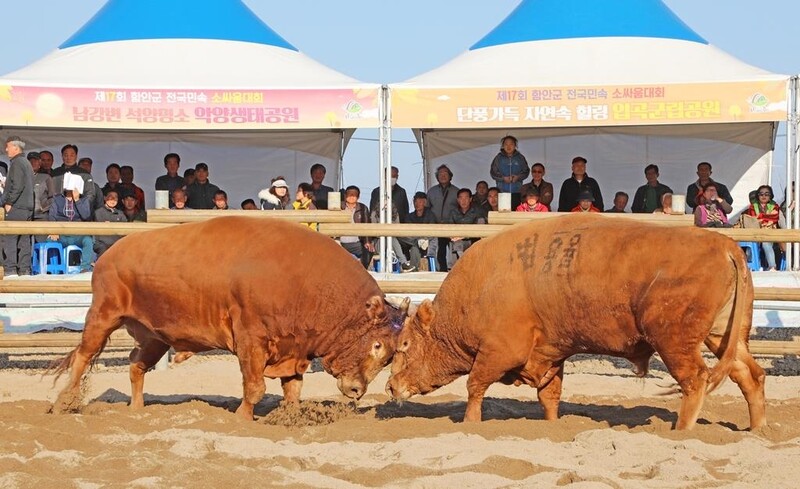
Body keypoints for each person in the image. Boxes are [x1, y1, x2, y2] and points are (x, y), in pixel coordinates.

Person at [3, 136, 35, 277]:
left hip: (17, 206)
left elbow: (17, 186)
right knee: (24, 239)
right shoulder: (26, 163)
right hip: (27, 207)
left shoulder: (17, 163)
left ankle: (10, 270)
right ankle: (24, 270)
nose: (6, 149)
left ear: (16, 148)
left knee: (10, 237)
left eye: (8, 146)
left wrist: (9, 202)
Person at [47, 174, 93, 273]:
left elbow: (86, 216)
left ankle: (85, 268)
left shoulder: (84, 200)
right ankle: (54, 268)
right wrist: (54, 231)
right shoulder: (58, 199)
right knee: (50, 240)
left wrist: (77, 200)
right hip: (61, 234)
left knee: (88, 240)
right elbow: (52, 216)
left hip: (78, 235)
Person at [427, 164, 459, 272]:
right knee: (440, 252)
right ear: (437, 177)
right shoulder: (431, 191)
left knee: (454, 252)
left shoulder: (456, 191)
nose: (443, 176)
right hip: (436, 227)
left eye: (445, 173)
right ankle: (442, 272)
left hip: (451, 227)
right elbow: (427, 209)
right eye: (440, 174)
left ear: (450, 176)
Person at [745, 185, 782, 270]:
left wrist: (761, 216)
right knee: (749, 243)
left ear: (770, 195)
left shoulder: (775, 205)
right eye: (761, 194)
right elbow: (753, 219)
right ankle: (750, 267)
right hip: (756, 232)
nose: (764, 196)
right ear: (758, 195)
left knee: (766, 243)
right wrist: (767, 217)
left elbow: (775, 217)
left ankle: (772, 266)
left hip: (770, 232)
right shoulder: (752, 206)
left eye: (767, 194)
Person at [447, 188, 486, 267]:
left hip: (473, 240)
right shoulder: (453, 212)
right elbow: (450, 227)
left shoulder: (478, 211)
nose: (463, 201)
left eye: (466, 198)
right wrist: (454, 236)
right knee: (457, 247)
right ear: (458, 200)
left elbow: (480, 228)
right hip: (457, 240)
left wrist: (464, 235)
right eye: (461, 198)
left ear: (470, 199)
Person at [490, 135, 530, 209]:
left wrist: (518, 177)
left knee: (515, 213)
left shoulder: (520, 158)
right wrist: (503, 178)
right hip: (502, 192)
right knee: (504, 212)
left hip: (517, 191)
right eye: (506, 144)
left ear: (515, 146)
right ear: (503, 146)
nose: (508, 146)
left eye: (511, 144)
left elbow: (526, 171)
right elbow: (493, 173)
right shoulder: (498, 158)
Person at [339, 185, 374, 269]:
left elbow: (366, 224)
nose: (351, 197)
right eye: (349, 194)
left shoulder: (363, 208)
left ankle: (362, 270)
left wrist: (367, 242)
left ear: (358, 197)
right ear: (345, 195)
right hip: (340, 241)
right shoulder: (339, 206)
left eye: (354, 195)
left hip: (356, 242)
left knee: (369, 250)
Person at [402, 191, 438, 270]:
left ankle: (432, 267)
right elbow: (409, 232)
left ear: (424, 202)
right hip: (413, 241)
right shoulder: (409, 216)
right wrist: (418, 239)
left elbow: (431, 231)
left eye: (420, 202)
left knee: (431, 240)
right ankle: (413, 269)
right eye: (415, 202)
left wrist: (423, 238)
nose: (417, 204)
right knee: (408, 242)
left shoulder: (430, 215)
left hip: (427, 241)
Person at [28, 152, 55, 241]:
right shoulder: (22, 177)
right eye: (30, 161)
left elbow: (52, 197)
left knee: (41, 242)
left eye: (35, 161)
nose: (33, 163)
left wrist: (43, 208)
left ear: (40, 163)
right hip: (26, 215)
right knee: (24, 244)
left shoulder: (46, 177)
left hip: (41, 216)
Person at [93, 189, 126, 258]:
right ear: (105, 198)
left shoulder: (120, 213)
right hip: (102, 242)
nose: (113, 200)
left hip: (117, 243)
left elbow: (125, 228)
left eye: (115, 197)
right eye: (110, 197)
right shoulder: (98, 212)